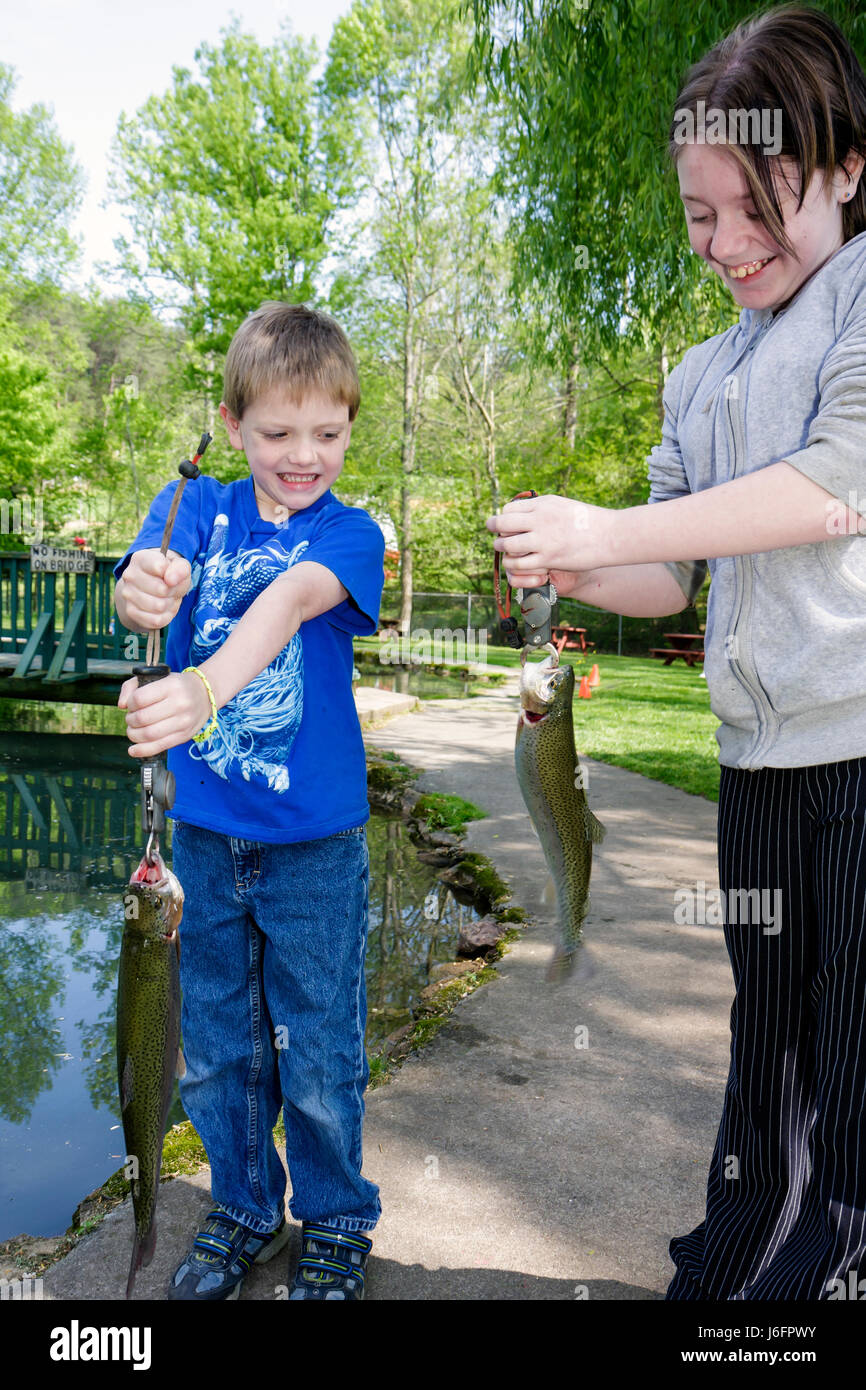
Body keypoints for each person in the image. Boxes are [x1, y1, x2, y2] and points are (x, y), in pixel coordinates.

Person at [488, 3, 866, 1300]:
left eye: (752, 206)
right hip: (753, 754)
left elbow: (831, 485)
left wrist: (615, 521)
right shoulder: (699, 372)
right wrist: (580, 564)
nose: (722, 243)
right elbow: (668, 572)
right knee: (762, 1010)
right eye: (700, 214)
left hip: (860, 744)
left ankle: (840, 1237)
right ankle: (743, 1217)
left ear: (844, 173)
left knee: (847, 1018)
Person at [113, 301, 385, 1301]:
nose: (303, 454)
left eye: (328, 432)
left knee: (317, 1044)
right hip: (200, 838)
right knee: (218, 1046)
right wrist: (138, 594)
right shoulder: (195, 509)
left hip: (314, 844)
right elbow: (137, 594)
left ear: (350, 426)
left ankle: (336, 1219)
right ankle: (237, 1208)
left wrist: (207, 687)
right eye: (277, 432)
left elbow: (286, 603)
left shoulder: (351, 534)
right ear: (233, 425)